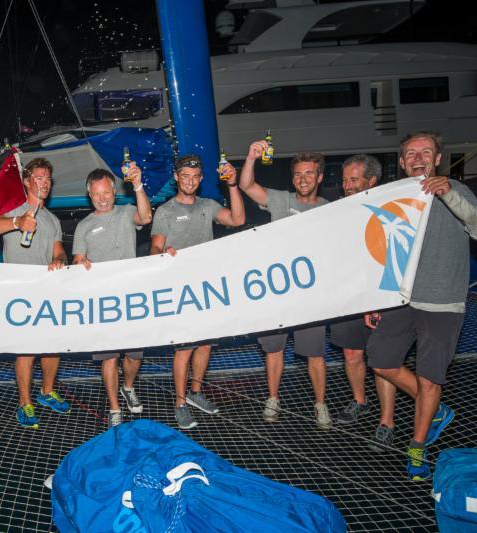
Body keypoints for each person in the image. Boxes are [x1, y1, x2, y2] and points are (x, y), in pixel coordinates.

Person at [365, 131, 477, 480]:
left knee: (429, 379)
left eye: (426, 151)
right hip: (401, 300)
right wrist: (373, 298)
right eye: (410, 153)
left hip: (443, 303)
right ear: (401, 161)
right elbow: (377, 250)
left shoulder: (456, 191)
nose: (418, 157)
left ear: (438, 158)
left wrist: (450, 195)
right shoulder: (392, 195)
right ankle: (437, 411)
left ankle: (417, 446)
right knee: (380, 359)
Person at [238, 143, 331, 428]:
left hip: (310, 296)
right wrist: (251, 156)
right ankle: (273, 399)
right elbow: (246, 184)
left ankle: (320, 405)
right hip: (276, 292)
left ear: (319, 177)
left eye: (309, 173)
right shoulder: (280, 200)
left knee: (315, 353)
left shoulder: (331, 209)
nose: (303, 179)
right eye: (299, 174)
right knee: (274, 351)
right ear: (293, 179)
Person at [150, 154, 245, 430]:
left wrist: (233, 185)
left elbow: (238, 219)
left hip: (207, 287)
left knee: (205, 343)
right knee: (184, 349)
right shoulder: (165, 211)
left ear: (201, 179)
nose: (190, 181)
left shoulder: (208, 205)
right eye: (185, 176)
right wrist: (162, 253)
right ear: (177, 178)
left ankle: (195, 393)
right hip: (180, 288)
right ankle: (180, 404)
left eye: (195, 176)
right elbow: (155, 247)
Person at [0, 158, 71, 429]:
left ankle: (46, 393)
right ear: (26, 181)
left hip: (47, 291)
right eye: (38, 178)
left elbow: (58, 249)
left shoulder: (51, 219)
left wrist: (60, 259)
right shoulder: (13, 209)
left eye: (47, 178)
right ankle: (25, 403)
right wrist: (16, 222)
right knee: (26, 351)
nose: (44, 183)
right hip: (19, 294)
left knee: (52, 346)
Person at [73, 165, 153, 427]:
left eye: (107, 192)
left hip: (131, 297)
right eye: (97, 194)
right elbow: (78, 259)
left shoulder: (127, 212)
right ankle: (114, 407)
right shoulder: (84, 226)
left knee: (134, 355)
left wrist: (138, 185)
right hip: (102, 301)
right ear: (89, 194)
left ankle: (127, 387)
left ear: (114, 191)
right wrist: (80, 263)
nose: (103, 198)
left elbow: (146, 217)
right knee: (109, 356)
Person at [329, 155, 397, 449]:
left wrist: (378, 299)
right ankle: (360, 401)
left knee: (383, 362)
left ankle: (387, 421)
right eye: (344, 180)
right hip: (348, 297)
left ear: (372, 181)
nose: (347, 186)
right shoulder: (337, 211)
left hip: (381, 297)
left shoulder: (388, 208)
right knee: (352, 355)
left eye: (354, 180)